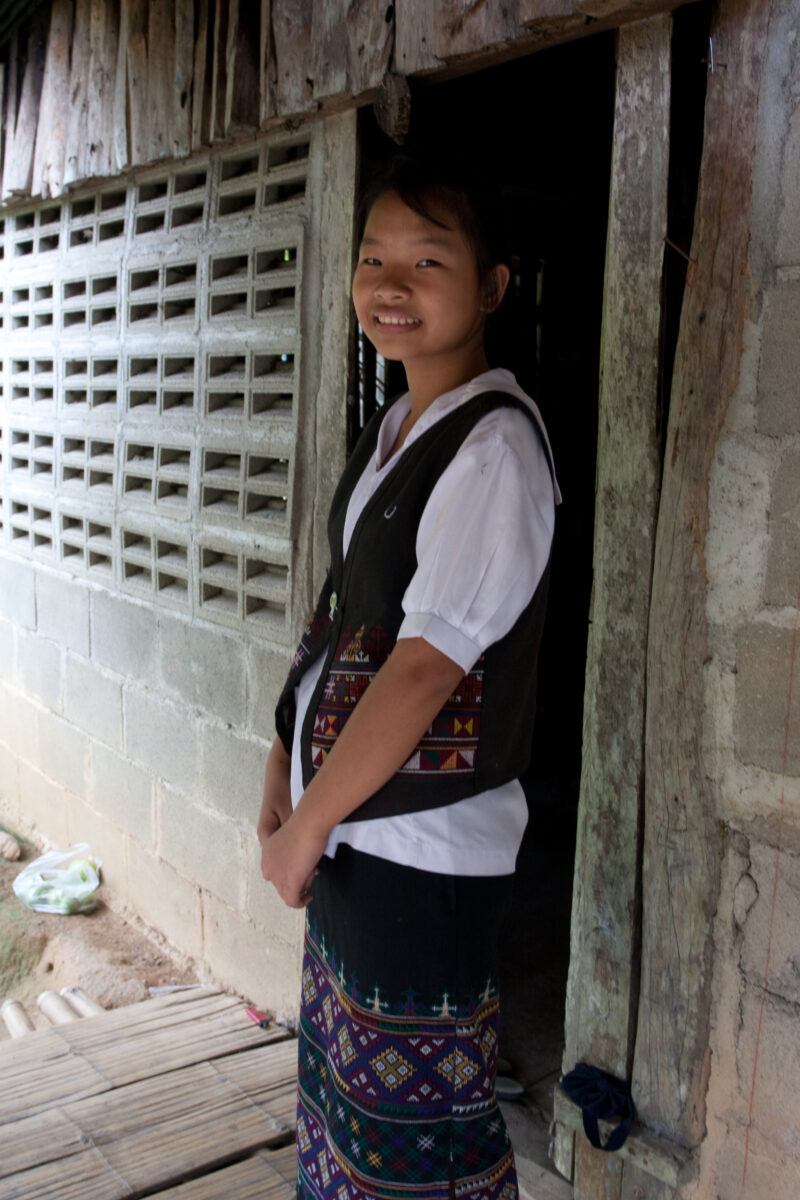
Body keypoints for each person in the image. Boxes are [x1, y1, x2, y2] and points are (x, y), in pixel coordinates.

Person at [258, 156, 560, 1200]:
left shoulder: (492, 448)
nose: (390, 284)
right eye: (373, 258)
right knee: (349, 1111)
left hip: (421, 855)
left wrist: (306, 825)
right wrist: (281, 768)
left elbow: (425, 669)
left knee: (416, 1143)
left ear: (492, 286)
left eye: (427, 261)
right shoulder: (395, 430)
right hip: (353, 830)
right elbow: (341, 616)